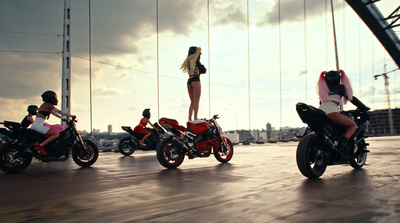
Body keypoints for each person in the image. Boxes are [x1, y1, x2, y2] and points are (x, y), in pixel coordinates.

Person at [318, 70, 369, 155]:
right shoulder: (341, 88)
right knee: (353, 125)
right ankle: (343, 142)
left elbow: (321, 103)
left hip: (320, 112)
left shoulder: (324, 90)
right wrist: (363, 107)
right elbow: (352, 98)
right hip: (332, 112)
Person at [30, 91, 75, 155]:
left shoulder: (44, 105)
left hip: (36, 125)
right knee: (56, 134)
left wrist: (62, 118)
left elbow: (54, 113)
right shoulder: (48, 105)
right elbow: (59, 112)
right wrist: (71, 116)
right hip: (38, 126)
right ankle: (40, 146)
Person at [180, 46, 207, 121]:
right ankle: (195, 118)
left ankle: (189, 117)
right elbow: (204, 70)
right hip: (195, 79)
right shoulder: (196, 60)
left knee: (192, 101)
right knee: (196, 101)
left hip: (189, 80)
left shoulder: (188, 61)